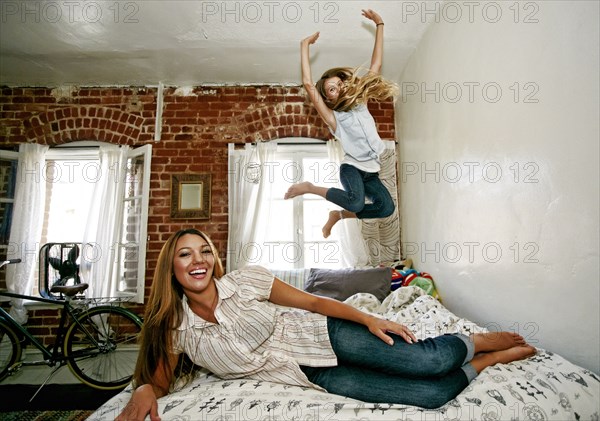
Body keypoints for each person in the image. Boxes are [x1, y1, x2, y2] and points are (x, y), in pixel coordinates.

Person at [116, 228, 536, 420]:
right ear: (171, 267)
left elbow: (315, 300)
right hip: (307, 375)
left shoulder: (246, 280)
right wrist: (142, 390)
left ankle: (474, 340)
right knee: (428, 397)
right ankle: (485, 363)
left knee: (424, 362)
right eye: (186, 254)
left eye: (203, 250)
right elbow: (160, 379)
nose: (198, 260)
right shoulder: (177, 329)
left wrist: (368, 318)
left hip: (325, 336)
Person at [285, 9, 398, 238]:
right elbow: (307, 84)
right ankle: (310, 187)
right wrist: (304, 45)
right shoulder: (334, 119)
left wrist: (380, 23)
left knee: (387, 208)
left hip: (372, 170)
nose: (338, 88)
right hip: (352, 169)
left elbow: (375, 65)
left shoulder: (361, 102)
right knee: (356, 202)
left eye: (339, 84)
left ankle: (338, 215)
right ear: (328, 98)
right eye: (331, 89)